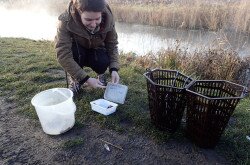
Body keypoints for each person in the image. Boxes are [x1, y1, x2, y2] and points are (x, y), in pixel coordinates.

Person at [55, 0, 120, 94]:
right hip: (78, 50)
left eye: (97, 19)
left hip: (97, 49)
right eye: (88, 20)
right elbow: (63, 54)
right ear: (79, 11)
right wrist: (85, 79)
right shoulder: (65, 21)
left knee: (103, 61)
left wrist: (114, 69)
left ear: (101, 13)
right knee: (74, 54)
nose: (93, 24)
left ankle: (101, 74)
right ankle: (76, 80)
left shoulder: (108, 18)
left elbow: (112, 45)